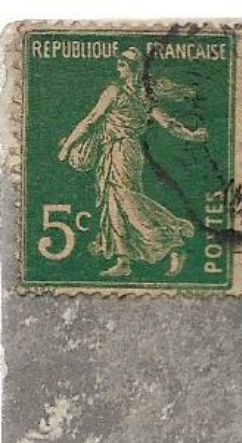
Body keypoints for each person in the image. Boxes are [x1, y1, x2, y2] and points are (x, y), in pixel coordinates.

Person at [57, 48, 207, 278]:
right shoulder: (144, 95)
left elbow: (90, 121)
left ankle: (173, 239)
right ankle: (123, 259)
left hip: (121, 150)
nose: (119, 65)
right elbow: (168, 123)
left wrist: (68, 146)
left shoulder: (114, 92)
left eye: (123, 63)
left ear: (132, 68)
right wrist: (191, 135)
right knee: (115, 201)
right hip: (124, 150)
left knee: (127, 200)